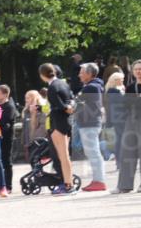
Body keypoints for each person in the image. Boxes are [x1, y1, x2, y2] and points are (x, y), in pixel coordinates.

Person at [40, 63, 77, 195]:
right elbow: (71, 99)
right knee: (65, 155)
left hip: (57, 121)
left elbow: (56, 104)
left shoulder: (52, 87)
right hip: (66, 121)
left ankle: (68, 185)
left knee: (62, 155)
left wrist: (65, 108)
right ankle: (69, 183)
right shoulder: (63, 83)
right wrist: (69, 107)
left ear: (43, 76)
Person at [76, 63, 107, 192]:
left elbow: (86, 106)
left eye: (82, 72)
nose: (79, 74)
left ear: (89, 74)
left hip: (89, 123)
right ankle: (97, 180)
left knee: (93, 152)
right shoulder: (94, 86)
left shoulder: (91, 87)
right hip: (91, 123)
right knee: (93, 152)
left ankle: (99, 181)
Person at [113, 60, 141, 193]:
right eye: (136, 69)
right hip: (131, 121)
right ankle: (124, 185)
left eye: (140, 69)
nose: (138, 72)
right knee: (127, 153)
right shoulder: (130, 87)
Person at [0, 84, 18, 192]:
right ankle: (2, 186)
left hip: (6, 138)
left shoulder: (9, 107)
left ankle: (8, 186)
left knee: (6, 162)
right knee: (0, 162)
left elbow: (6, 124)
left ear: (5, 94)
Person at [105, 71, 127, 167]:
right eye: (121, 79)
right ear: (115, 80)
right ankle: (120, 161)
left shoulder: (115, 90)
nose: (123, 81)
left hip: (119, 117)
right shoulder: (113, 91)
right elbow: (121, 103)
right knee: (121, 139)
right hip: (120, 118)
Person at [22, 90, 50, 162]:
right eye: (26, 98)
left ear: (35, 98)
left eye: (28, 98)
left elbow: (39, 126)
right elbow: (25, 128)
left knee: (38, 160)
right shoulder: (26, 110)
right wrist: (25, 141)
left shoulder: (43, 109)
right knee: (32, 161)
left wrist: (34, 114)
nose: (26, 100)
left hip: (39, 140)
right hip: (29, 141)